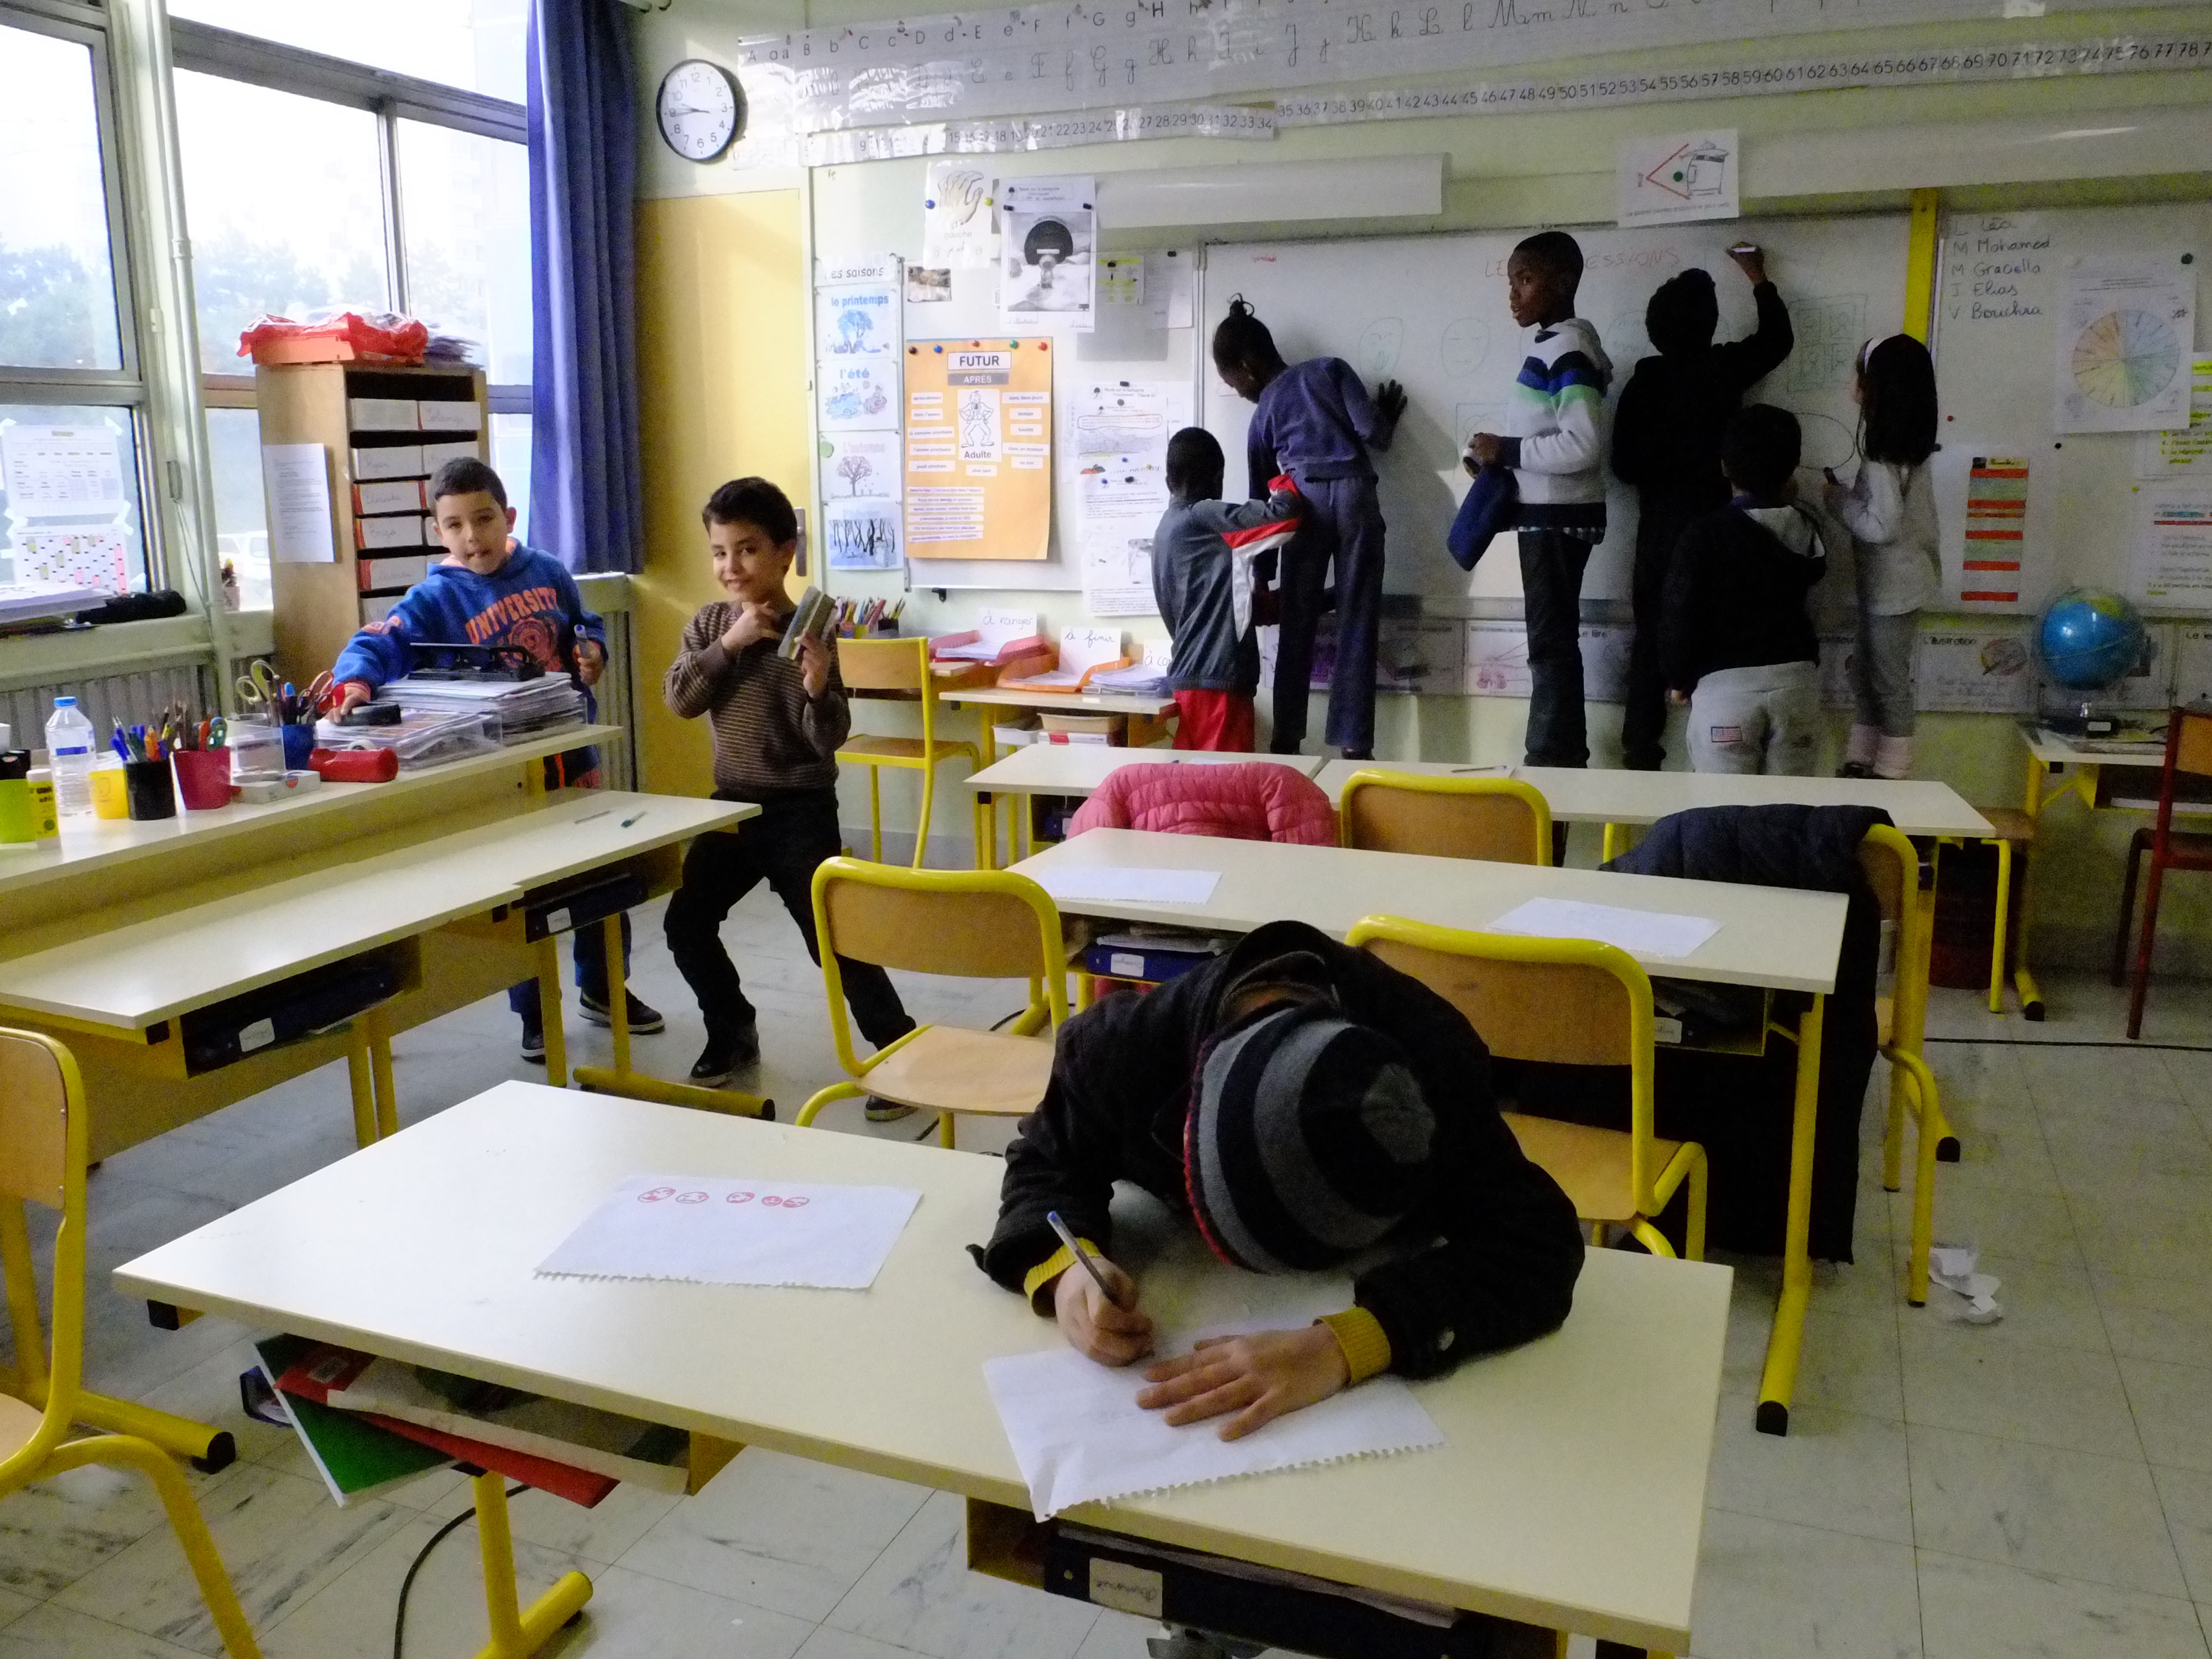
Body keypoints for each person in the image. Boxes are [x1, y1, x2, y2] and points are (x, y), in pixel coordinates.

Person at [977, 920, 1583, 1440]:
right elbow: (1048, 1159)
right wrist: (1066, 1268)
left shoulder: (1435, 1071)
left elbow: (1538, 1242)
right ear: (1191, 1116)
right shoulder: (1124, 1053)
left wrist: (1348, 1344)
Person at [332, 457, 660, 1061]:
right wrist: (355, 681)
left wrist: (592, 650)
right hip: (503, 776)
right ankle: (534, 1012)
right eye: (455, 525)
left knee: (600, 873)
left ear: (508, 517)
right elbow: (380, 642)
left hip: (570, 754)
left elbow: (584, 625)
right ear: (437, 531)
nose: (472, 537)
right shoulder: (435, 597)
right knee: (522, 894)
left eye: (483, 520)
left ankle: (605, 986)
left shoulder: (549, 572)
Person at [659, 478, 916, 1095]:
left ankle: (900, 1049)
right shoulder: (709, 625)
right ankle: (732, 1029)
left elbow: (826, 738)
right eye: (720, 552)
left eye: (747, 550)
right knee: (686, 922)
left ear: (785, 553)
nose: (731, 566)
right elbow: (680, 700)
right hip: (732, 807)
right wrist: (730, 644)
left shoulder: (813, 630)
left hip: (800, 809)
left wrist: (817, 684)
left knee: (832, 935)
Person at [1611, 247, 1796, 770]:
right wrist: (1758, 276)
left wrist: (1664, 465)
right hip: (1720, 532)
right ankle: (1718, 757)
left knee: (1651, 642)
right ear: (1710, 325)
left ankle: (1640, 752)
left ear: (1654, 330)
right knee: (1720, 639)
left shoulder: (1642, 385)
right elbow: (1777, 340)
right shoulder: (1721, 369)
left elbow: (1623, 465)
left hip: (1659, 533)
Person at [1212, 298, 1407, 760]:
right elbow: (1373, 434)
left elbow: (1263, 505)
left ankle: (1286, 742)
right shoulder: (1331, 369)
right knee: (1358, 620)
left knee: (1297, 626)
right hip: (1357, 496)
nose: (1238, 393)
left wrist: (1263, 576)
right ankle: (1355, 746)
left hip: (1304, 505)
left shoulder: (1262, 415)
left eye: (1234, 384)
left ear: (1248, 368)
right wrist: (1385, 418)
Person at [1466, 232, 1613, 771]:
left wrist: (1507, 450)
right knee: (1552, 643)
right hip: (1549, 516)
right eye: (1512, 282)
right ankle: (1560, 755)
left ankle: (1551, 759)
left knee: (1549, 646)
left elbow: (1583, 444)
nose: (1514, 294)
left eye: (1526, 280)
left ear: (1564, 282)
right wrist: (1496, 460)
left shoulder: (1567, 350)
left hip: (1557, 521)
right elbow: (1549, 438)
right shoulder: (1554, 345)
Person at [1660, 405, 1830, 776]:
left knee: (1725, 809)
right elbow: (1817, 608)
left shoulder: (1703, 535)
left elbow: (1679, 613)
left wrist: (1678, 679)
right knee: (1790, 809)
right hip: (1797, 688)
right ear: (1793, 468)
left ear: (1724, 466)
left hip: (1725, 693)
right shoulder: (1810, 529)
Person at [1825, 335, 1942, 780]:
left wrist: (1837, 501)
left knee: (1888, 679)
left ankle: (1890, 772)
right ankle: (1862, 760)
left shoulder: (1883, 456)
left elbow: (1881, 527)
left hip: (1894, 589)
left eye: (1861, 374)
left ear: (1880, 388)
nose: (1854, 384)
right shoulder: (1904, 448)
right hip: (1890, 585)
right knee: (1866, 675)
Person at [1151, 428, 1302, 753]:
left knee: (1198, 781)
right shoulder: (1205, 518)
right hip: (1217, 682)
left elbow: (1218, 604)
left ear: (1168, 481)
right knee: (1223, 782)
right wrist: (1283, 476)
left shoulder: (1167, 528)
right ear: (1217, 478)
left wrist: (1308, 601)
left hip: (1193, 679)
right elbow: (1285, 517)